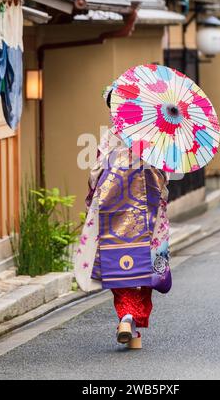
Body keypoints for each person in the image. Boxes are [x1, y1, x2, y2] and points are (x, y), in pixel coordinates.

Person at [75, 86, 172, 349]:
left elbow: (95, 174)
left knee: (119, 266)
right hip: (148, 214)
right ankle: (133, 325)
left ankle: (127, 319)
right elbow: (164, 174)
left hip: (114, 214)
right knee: (145, 269)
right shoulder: (152, 135)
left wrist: (95, 195)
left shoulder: (111, 136)